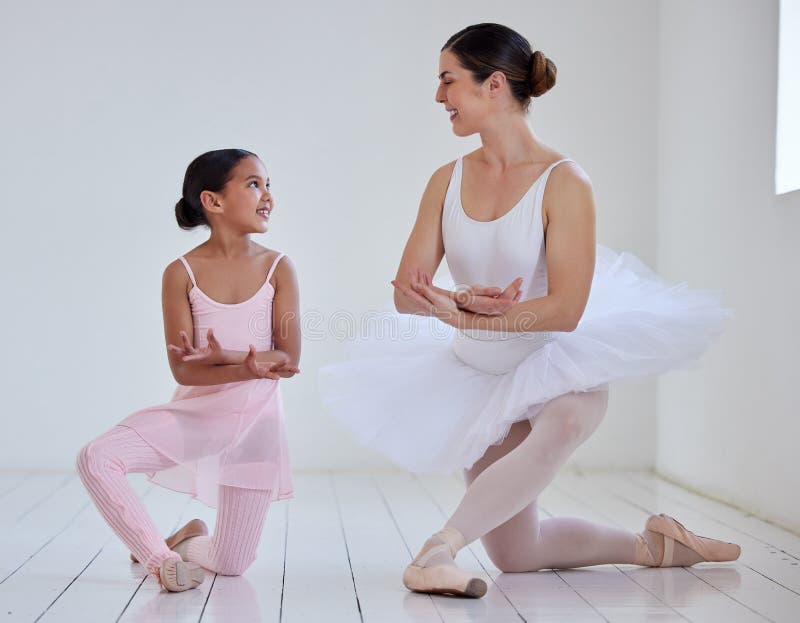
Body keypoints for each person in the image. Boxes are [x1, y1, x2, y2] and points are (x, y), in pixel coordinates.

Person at [319, 24, 740, 598]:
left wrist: (464, 315)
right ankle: (658, 545)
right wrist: (457, 299)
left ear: (493, 84)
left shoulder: (565, 183)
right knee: (517, 554)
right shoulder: (445, 182)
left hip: (555, 364)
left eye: (448, 80)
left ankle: (436, 550)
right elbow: (404, 292)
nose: (438, 96)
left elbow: (566, 310)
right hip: (478, 377)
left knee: (565, 421)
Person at [76, 148, 300, 592]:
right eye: (254, 183)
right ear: (213, 202)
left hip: (257, 427)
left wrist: (235, 360)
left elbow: (289, 358)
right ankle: (161, 560)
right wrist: (247, 365)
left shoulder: (278, 267)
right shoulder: (180, 273)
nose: (268, 195)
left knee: (232, 564)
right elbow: (185, 370)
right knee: (96, 457)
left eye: (269, 184)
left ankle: (185, 540)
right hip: (198, 420)